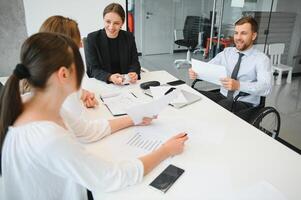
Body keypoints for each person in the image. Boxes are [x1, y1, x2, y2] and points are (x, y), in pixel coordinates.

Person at [0, 32, 188, 200]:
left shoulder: (33, 101)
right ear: (64, 74)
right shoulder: (48, 138)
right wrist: (165, 151)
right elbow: (110, 178)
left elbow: (85, 130)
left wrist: (134, 118)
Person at [189, 16, 272, 116]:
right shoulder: (227, 52)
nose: (238, 37)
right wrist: (197, 72)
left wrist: (238, 85)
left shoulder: (261, 59)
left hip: (245, 103)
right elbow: (208, 67)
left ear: (253, 36)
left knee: (219, 109)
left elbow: (266, 88)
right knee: (195, 97)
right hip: (223, 95)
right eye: (236, 33)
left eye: (243, 33)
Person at [21, 15, 98, 108]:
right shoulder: (52, 95)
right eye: (77, 43)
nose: (81, 45)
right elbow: (78, 121)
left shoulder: (43, 75)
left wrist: (82, 93)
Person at [85, 3, 141, 85]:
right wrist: (110, 77)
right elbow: (93, 69)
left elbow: (134, 62)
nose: (111, 27)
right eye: (108, 21)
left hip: (125, 84)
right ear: (103, 19)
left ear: (122, 23)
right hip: (103, 83)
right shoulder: (92, 38)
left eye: (116, 23)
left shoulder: (129, 37)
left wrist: (133, 72)